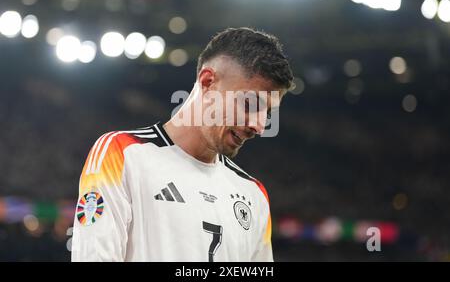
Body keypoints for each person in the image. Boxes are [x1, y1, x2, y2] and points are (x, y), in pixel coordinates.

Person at [71, 27, 294, 261]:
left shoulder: (254, 195)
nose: (259, 126)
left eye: (267, 113)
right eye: (251, 104)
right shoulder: (122, 154)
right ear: (208, 82)